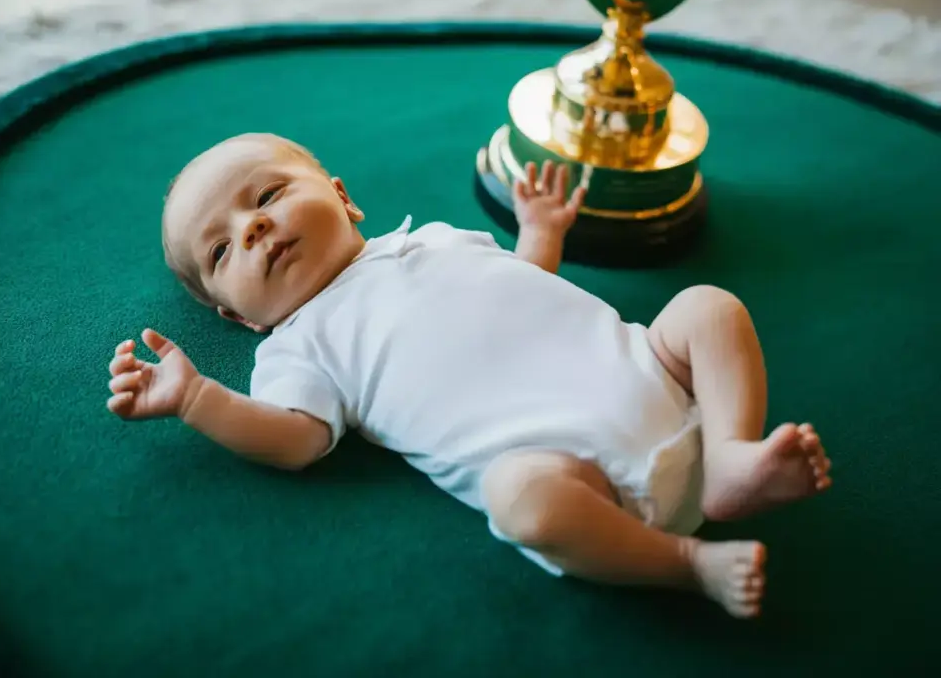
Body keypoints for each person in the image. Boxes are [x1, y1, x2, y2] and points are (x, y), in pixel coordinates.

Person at [105, 133, 831, 618]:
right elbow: (295, 439)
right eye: (222, 250)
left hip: (652, 373)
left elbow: (521, 283)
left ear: (343, 198)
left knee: (707, 308)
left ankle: (730, 457)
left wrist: (540, 233)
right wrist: (198, 398)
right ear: (239, 317)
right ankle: (688, 563)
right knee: (517, 501)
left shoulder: (435, 238)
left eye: (266, 197)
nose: (253, 228)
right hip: (579, 477)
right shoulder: (298, 347)